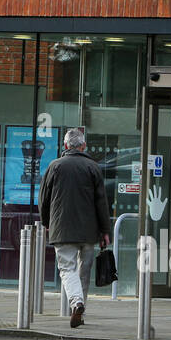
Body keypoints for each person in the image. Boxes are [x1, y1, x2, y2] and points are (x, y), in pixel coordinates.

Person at [38, 127, 110, 328]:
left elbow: (43, 200)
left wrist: (46, 223)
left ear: (65, 146)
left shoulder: (54, 166)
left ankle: (77, 303)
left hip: (62, 229)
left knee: (67, 269)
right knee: (83, 271)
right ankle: (80, 310)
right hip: (89, 231)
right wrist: (105, 231)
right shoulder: (93, 167)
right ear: (84, 146)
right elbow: (101, 203)